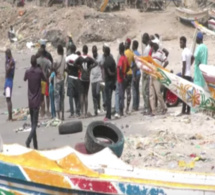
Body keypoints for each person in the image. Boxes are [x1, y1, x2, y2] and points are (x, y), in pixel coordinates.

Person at [24, 55, 46, 149]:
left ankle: (35, 145)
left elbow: (24, 79)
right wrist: (41, 69)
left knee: (33, 123)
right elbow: (45, 79)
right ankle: (28, 140)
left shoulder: (28, 71)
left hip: (30, 100)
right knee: (34, 124)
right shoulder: (39, 71)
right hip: (37, 101)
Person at [74, 45, 97, 118]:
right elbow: (96, 63)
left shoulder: (80, 58)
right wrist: (90, 67)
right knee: (86, 95)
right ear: (87, 50)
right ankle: (86, 112)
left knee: (81, 95)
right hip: (87, 78)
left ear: (82, 50)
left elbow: (74, 63)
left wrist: (80, 67)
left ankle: (82, 112)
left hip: (82, 77)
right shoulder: (89, 58)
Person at [150, 40, 168, 116]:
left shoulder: (160, 53)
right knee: (151, 94)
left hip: (157, 75)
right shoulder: (152, 54)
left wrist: (161, 69)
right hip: (151, 74)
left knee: (158, 92)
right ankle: (153, 110)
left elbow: (166, 61)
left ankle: (164, 108)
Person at [66, 44, 80, 118]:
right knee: (77, 95)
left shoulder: (68, 58)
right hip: (77, 77)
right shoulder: (78, 57)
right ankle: (78, 111)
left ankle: (72, 112)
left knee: (71, 96)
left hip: (70, 77)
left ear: (70, 50)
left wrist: (68, 71)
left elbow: (66, 67)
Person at [179, 36, 193, 115]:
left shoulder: (184, 52)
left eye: (181, 42)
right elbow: (193, 57)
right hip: (189, 74)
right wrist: (189, 65)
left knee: (184, 94)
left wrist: (182, 76)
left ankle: (183, 111)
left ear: (184, 43)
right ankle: (188, 110)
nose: (180, 44)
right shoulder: (189, 50)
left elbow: (184, 65)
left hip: (185, 75)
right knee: (188, 93)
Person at [37, 48, 52, 117]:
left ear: (40, 53)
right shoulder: (47, 61)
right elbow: (52, 67)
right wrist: (49, 75)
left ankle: (42, 111)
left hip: (39, 80)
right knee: (47, 95)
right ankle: (48, 110)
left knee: (41, 96)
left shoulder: (37, 61)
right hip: (46, 79)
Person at [103, 47, 116, 121]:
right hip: (112, 81)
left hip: (108, 81)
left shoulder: (106, 62)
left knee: (108, 99)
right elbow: (115, 70)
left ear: (105, 52)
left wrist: (112, 74)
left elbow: (109, 72)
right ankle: (108, 114)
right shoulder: (112, 60)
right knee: (110, 98)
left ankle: (108, 115)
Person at [54, 45, 66, 120]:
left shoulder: (56, 59)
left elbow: (52, 67)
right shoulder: (64, 59)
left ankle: (58, 116)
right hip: (62, 80)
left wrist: (56, 73)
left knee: (57, 98)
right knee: (62, 98)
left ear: (58, 51)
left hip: (57, 80)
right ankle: (63, 116)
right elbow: (66, 69)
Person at [91, 46, 103, 116]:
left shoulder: (100, 57)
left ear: (97, 51)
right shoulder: (91, 59)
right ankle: (95, 109)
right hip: (93, 79)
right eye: (93, 52)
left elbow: (102, 66)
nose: (94, 53)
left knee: (98, 93)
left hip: (99, 78)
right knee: (93, 95)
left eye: (95, 52)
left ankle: (98, 106)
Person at [117, 43, 129, 117]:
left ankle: (121, 110)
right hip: (124, 77)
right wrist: (125, 74)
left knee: (121, 95)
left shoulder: (121, 58)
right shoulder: (125, 58)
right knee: (123, 94)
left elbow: (120, 68)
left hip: (120, 79)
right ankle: (122, 109)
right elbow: (128, 66)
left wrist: (121, 76)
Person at [4, 49, 15, 121]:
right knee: (8, 98)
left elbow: (7, 72)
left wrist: (8, 65)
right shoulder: (10, 61)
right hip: (9, 80)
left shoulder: (11, 62)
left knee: (8, 99)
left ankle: (10, 116)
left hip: (8, 82)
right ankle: (10, 115)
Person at [142, 33, 151, 115]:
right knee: (144, 90)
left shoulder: (148, 49)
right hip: (145, 71)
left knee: (146, 91)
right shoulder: (146, 48)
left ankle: (147, 108)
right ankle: (146, 107)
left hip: (147, 71)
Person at [124, 38, 134, 114]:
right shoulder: (131, 52)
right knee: (129, 91)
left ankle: (123, 108)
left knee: (123, 90)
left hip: (125, 73)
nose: (125, 44)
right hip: (130, 73)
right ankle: (127, 107)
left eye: (126, 43)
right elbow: (135, 63)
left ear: (128, 44)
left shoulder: (125, 53)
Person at [132, 40, 141, 111]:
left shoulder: (133, 54)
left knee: (134, 90)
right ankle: (137, 105)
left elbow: (134, 66)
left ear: (134, 46)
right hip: (139, 73)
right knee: (137, 90)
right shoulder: (139, 54)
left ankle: (134, 106)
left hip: (135, 73)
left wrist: (134, 76)